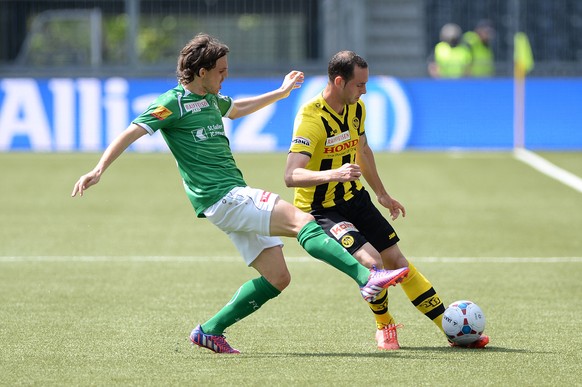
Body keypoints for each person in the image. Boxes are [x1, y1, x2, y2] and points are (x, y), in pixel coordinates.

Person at [71, 33, 409, 354]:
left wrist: (279, 93)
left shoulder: (209, 98)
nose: (225, 78)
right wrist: (99, 168)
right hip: (222, 197)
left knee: (278, 277)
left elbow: (237, 107)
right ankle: (367, 277)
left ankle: (210, 331)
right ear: (201, 72)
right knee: (301, 220)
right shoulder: (171, 104)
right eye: (220, 72)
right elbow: (131, 132)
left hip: (230, 197)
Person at [285, 50, 489, 349]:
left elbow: (363, 151)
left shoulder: (356, 110)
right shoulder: (311, 119)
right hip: (322, 209)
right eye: (360, 84)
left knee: (398, 262)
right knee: (373, 262)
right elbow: (291, 176)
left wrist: (381, 193)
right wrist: (334, 174)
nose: (365, 90)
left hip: (355, 198)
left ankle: (452, 329)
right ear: (339, 82)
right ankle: (384, 325)